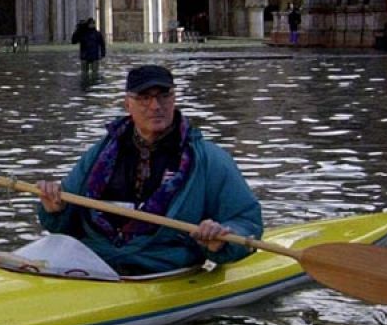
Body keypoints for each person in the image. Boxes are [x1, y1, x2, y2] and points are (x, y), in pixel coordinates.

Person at [36, 64, 263, 276]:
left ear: (174, 99)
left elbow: (247, 221)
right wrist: (55, 210)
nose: (155, 106)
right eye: (144, 98)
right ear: (128, 104)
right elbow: (65, 222)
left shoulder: (210, 159)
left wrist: (222, 237)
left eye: (163, 96)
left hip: (161, 268)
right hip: (93, 263)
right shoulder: (99, 154)